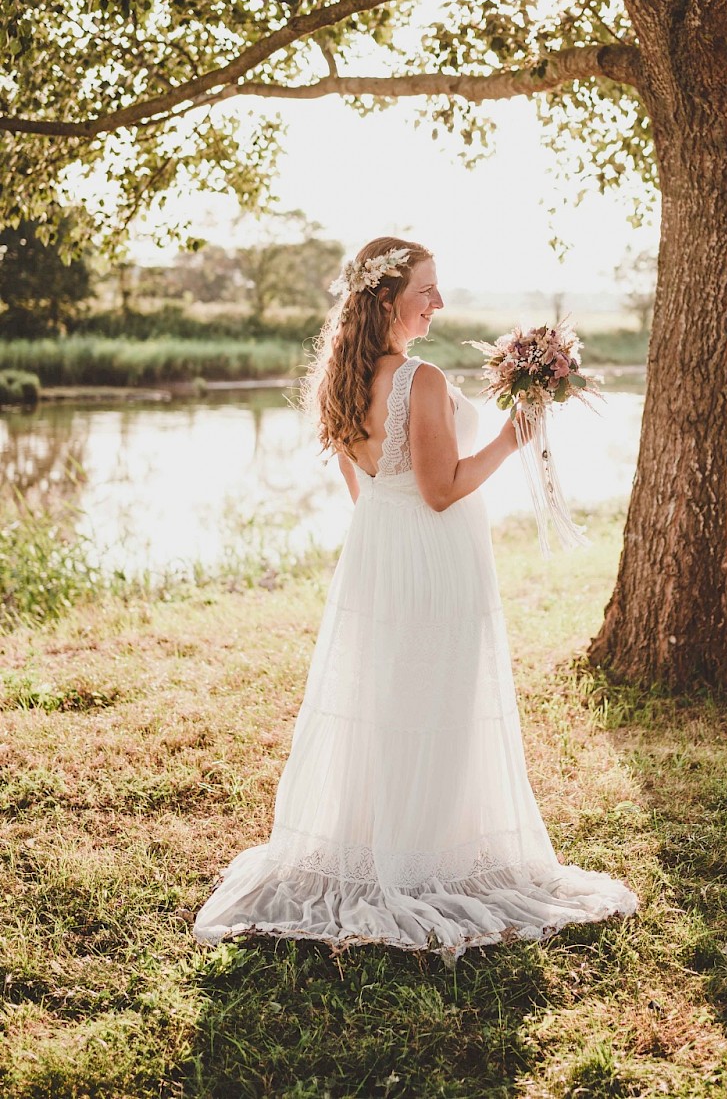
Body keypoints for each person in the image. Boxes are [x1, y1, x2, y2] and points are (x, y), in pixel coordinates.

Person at [193, 236, 637, 958]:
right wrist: (512, 439)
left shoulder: (341, 376)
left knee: (385, 704)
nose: (439, 302)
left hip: (376, 555)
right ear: (390, 298)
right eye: (427, 290)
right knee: (437, 704)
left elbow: (363, 491)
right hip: (432, 559)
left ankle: (382, 844)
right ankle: (426, 858)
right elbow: (440, 491)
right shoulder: (418, 379)